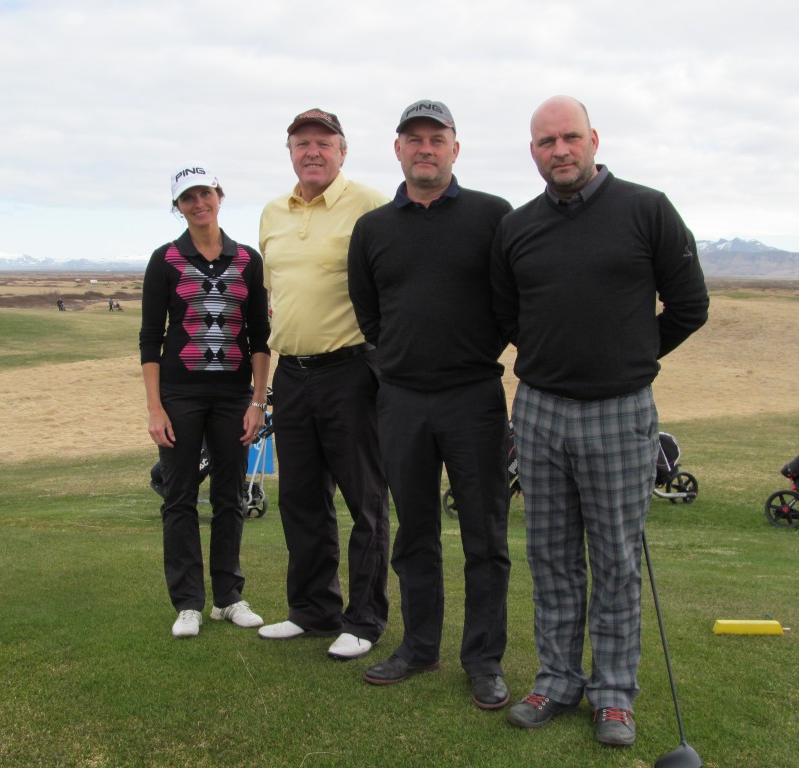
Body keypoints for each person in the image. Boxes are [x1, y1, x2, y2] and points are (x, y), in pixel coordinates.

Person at [491, 96, 709, 746]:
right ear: (533, 151)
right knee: (551, 556)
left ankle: (613, 695)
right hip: (539, 411)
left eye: (570, 137)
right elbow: (507, 315)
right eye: (546, 141)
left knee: (615, 559)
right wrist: (557, 357)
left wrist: (628, 356)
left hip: (620, 411)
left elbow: (690, 304)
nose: (559, 150)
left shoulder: (647, 209)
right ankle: (557, 680)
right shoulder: (517, 227)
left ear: (593, 139)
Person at [347, 100, 513, 709]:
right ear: (398, 150)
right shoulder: (373, 229)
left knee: (484, 536)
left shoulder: (492, 216)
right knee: (414, 533)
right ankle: (419, 647)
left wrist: (467, 356)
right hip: (401, 401)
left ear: (454, 149)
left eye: (436, 139)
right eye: (413, 139)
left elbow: (509, 303)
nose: (425, 148)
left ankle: (484, 660)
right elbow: (369, 313)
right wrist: (402, 362)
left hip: (474, 399)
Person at [257, 108, 391, 660]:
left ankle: (364, 620)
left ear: (342, 151)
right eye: (301, 142)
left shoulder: (370, 204)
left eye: (324, 142)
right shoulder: (272, 213)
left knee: (365, 500)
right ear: (290, 151)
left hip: (350, 371)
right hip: (292, 374)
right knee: (301, 500)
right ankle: (313, 609)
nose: (312, 151)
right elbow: (276, 292)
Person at [139, 164, 271, 639]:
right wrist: (155, 409)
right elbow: (150, 338)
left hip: (233, 395)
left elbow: (260, 337)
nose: (198, 203)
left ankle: (228, 598)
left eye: (205, 194)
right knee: (179, 498)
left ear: (220, 196)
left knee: (230, 496)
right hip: (179, 395)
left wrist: (258, 402)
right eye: (188, 197)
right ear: (177, 206)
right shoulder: (165, 259)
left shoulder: (248, 259)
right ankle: (188, 604)